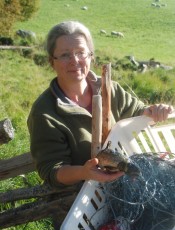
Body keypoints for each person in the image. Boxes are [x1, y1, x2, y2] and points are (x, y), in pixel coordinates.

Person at [27, 20, 173, 190]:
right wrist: (85, 172)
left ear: (91, 56)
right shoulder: (44, 112)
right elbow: (52, 171)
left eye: (81, 52)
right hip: (83, 196)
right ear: (52, 61)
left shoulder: (109, 89)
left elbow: (139, 113)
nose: (75, 60)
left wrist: (155, 111)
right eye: (65, 55)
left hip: (129, 180)